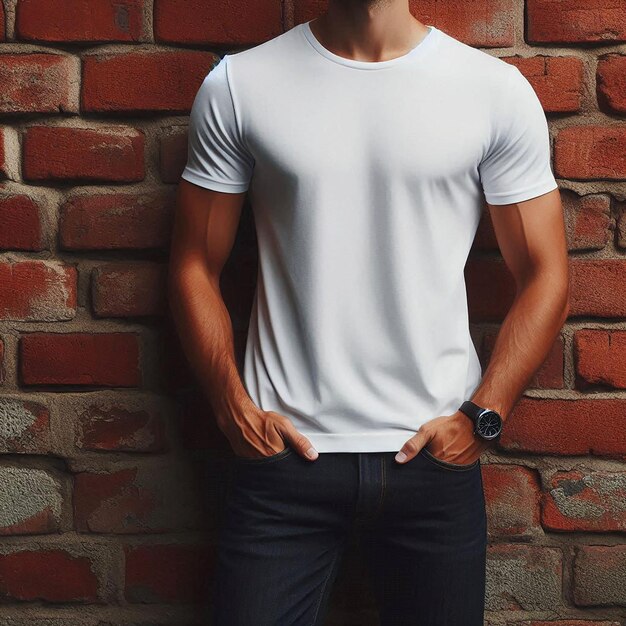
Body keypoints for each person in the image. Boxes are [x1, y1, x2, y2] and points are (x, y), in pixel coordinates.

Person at [168, 1, 570, 623]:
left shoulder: (491, 91)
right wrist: (232, 410)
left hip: (434, 461)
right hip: (284, 463)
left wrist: (482, 418)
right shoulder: (241, 85)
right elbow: (194, 263)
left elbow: (545, 274)